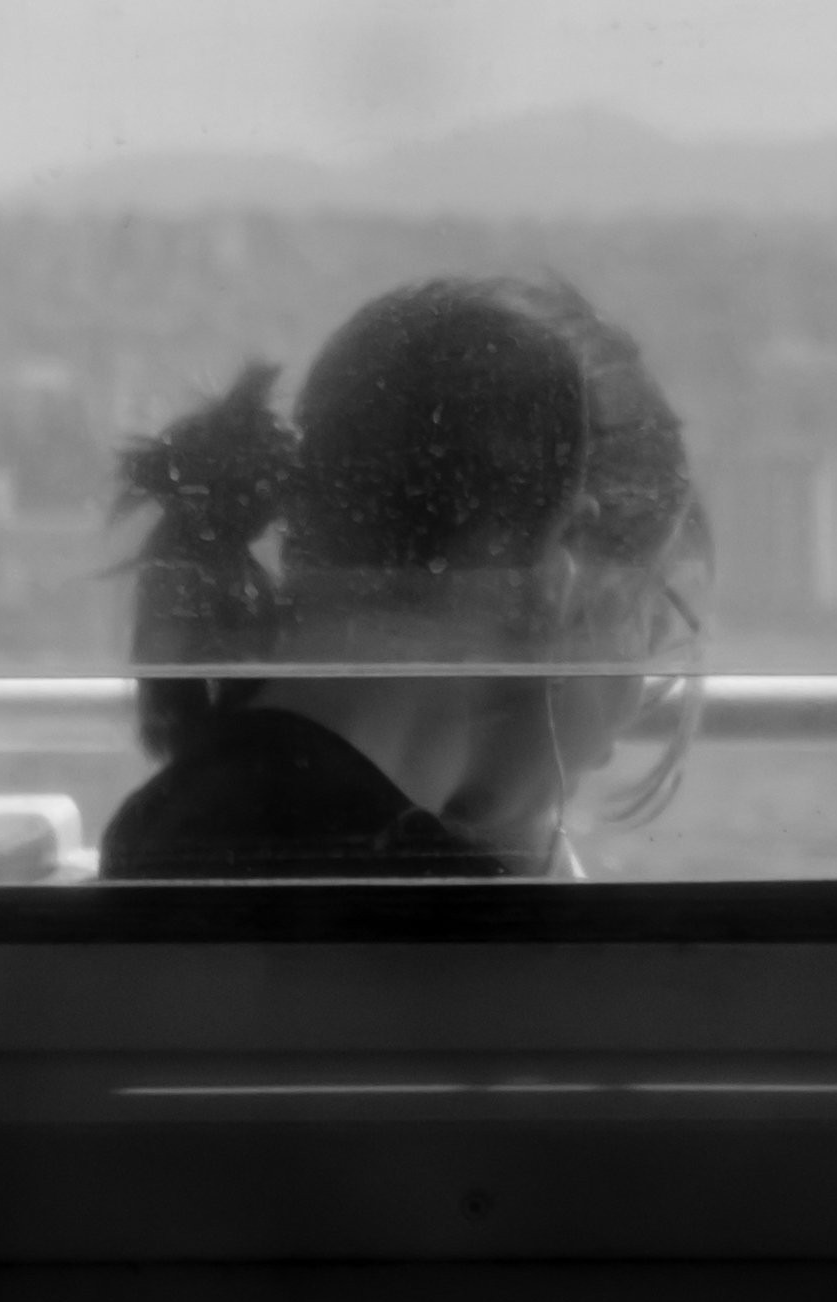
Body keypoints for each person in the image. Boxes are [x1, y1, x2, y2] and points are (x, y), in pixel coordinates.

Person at [98, 272, 709, 879]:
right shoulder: (439, 918)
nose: (636, 700)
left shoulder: (165, 824)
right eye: (647, 619)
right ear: (563, 564)